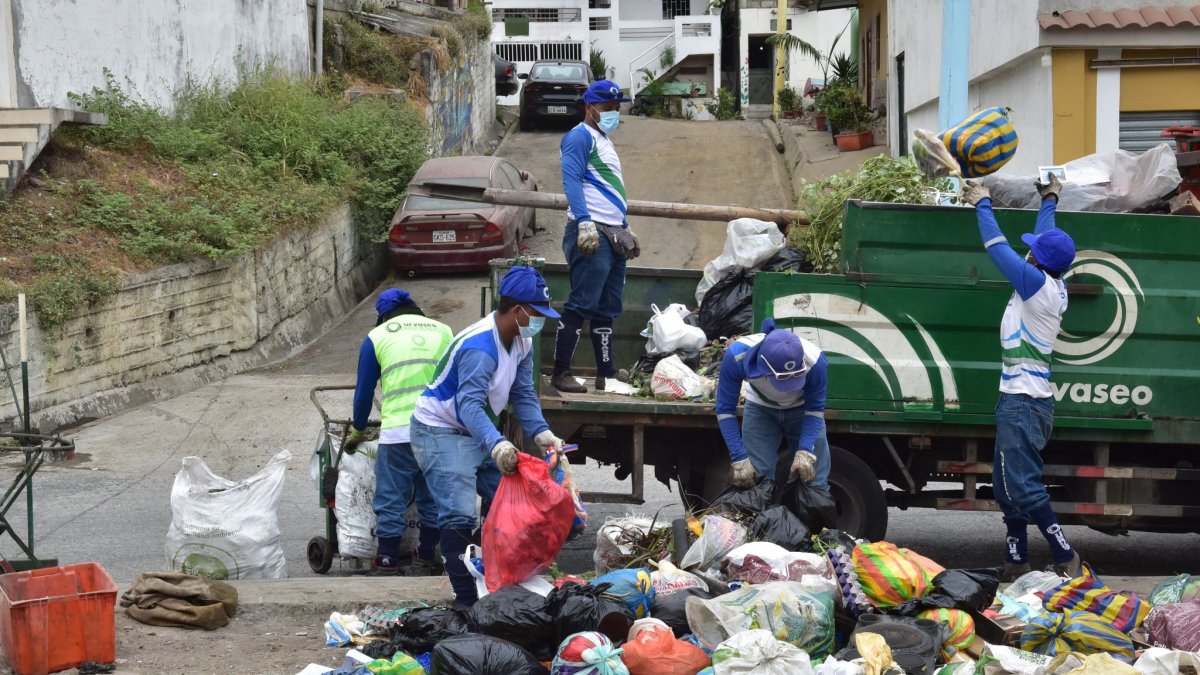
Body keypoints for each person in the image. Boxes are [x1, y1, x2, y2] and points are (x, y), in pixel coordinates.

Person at [410, 265, 568, 608]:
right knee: (459, 515)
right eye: (537, 313)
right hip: (441, 429)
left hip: (475, 427)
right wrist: (496, 443)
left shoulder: (521, 342)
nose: (541, 320)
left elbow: (523, 393)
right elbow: (467, 405)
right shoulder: (480, 346)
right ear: (517, 311)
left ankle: (494, 587)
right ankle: (466, 602)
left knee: (505, 501)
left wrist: (542, 433)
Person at [962, 174, 1082, 580]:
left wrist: (982, 202)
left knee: (1022, 486)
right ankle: (1017, 560)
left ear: (1036, 262)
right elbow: (1047, 235)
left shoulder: (1035, 285)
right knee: (1005, 484)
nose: (1027, 253)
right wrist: (1049, 198)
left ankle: (1065, 555)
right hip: (1021, 399)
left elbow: (997, 248)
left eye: (1032, 252)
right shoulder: (1052, 278)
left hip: (1024, 403)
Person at [345, 289, 453, 576]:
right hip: (439, 431)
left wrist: (358, 429)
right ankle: (426, 556)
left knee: (391, 497)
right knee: (432, 495)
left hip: (398, 433)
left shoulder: (377, 336)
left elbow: (364, 393)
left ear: (383, 315)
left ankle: (388, 560)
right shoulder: (444, 331)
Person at [552, 79, 641, 394]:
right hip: (592, 231)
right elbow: (572, 181)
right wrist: (585, 222)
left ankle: (607, 374)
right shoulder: (579, 137)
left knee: (607, 306)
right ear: (589, 108)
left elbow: (609, 188)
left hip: (613, 231)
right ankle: (561, 372)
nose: (613, 113)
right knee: (582, 303)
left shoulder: (603, 139)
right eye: (607, 108)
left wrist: (624, 223)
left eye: (617, 108)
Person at [714, 318, 831, 493]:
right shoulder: (737, 357)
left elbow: (815, 410)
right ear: (762, 366)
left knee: (814, 480)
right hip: (761, 410)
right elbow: (725, 410)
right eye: (783, 380)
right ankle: (761, 518)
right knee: (756, 481)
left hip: (802, 410)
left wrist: (806, 451)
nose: (787, 389)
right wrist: (738, 458)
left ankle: (814, 518)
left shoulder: (815, 361)